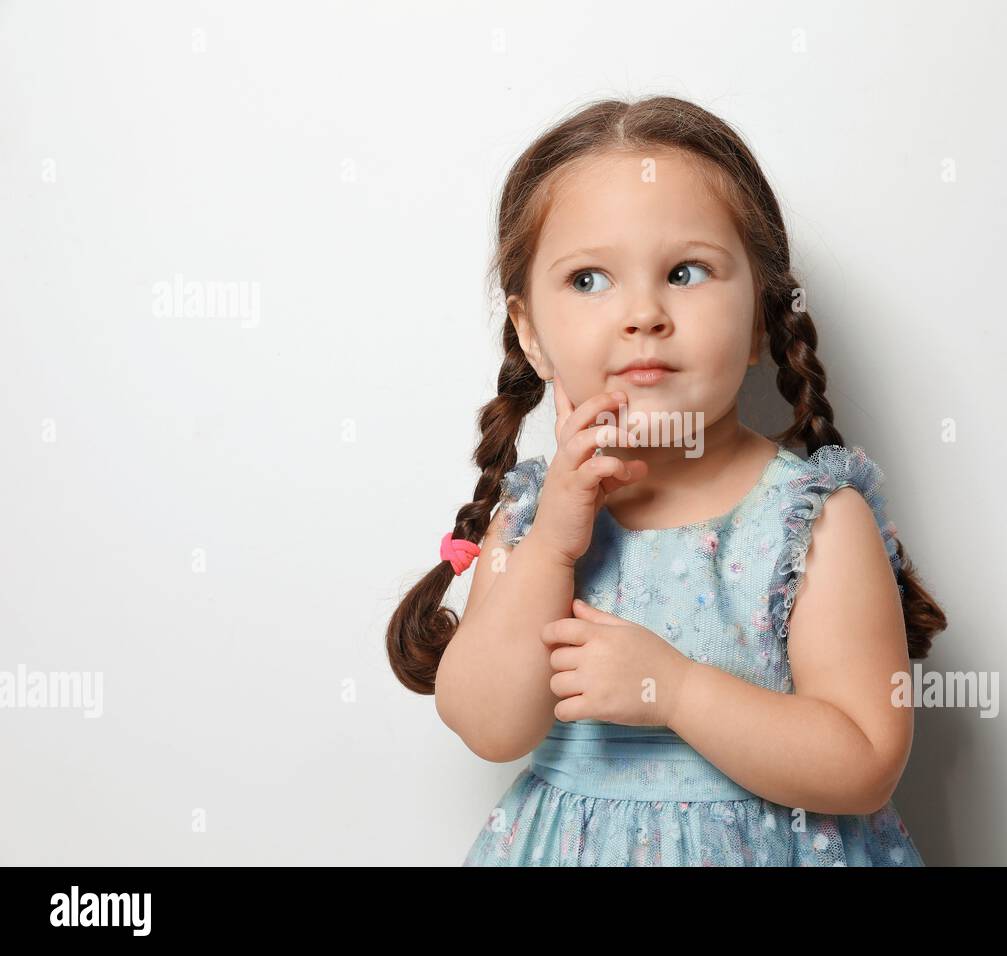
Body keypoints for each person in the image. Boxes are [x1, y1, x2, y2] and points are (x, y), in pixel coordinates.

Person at [388, 95, 947, 865]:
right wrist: (552, 544)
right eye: (588, 280)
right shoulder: (529, 522)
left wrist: (677, 691)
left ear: (759, 318)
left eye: (686, 273)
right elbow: (488, 725)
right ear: (531, 333)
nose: (642, 313)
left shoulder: (812, 520)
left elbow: (864, 764)